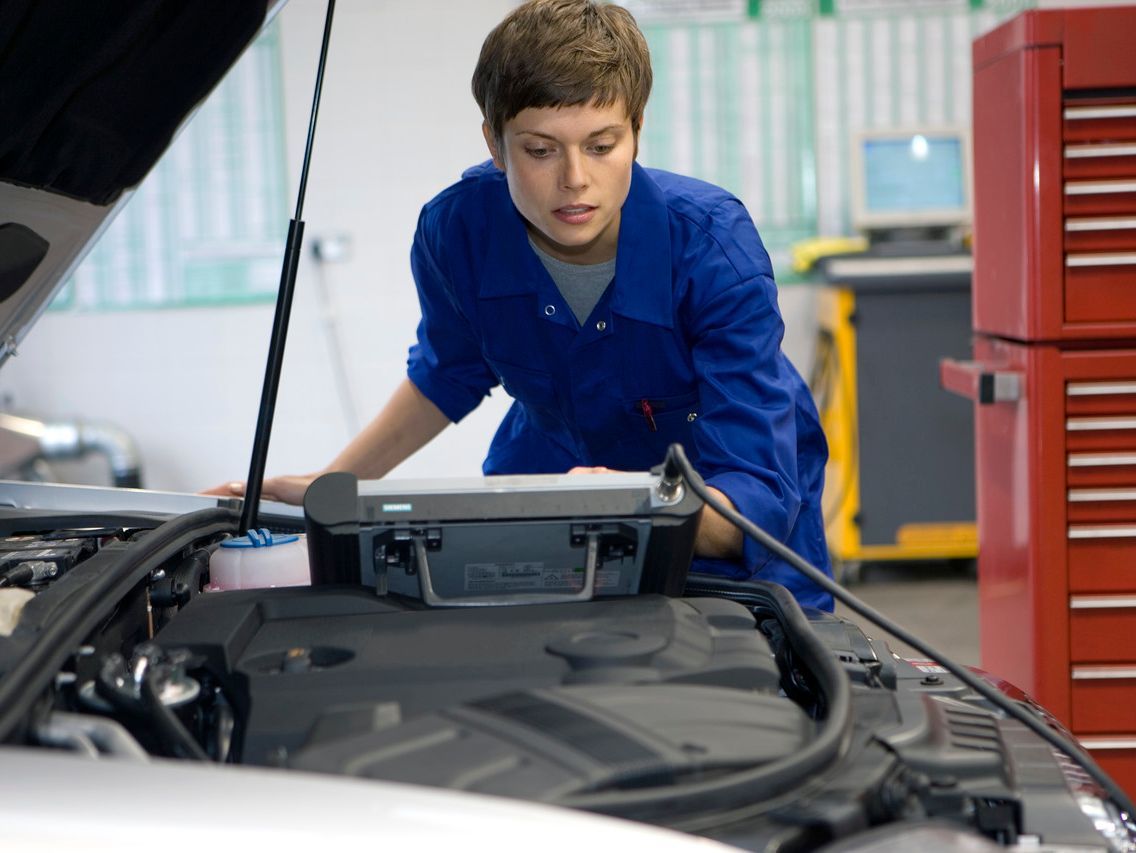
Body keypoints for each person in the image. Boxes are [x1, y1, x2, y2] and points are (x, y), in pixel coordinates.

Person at [209, 0, 833, 610]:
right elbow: (448, 372)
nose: (575, 180)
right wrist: (333, 488)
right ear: (495, 143)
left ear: (637, 132)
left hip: (721, 528)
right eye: (540, 150)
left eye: (601, 145)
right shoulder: (459, 231)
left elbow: (756, 499)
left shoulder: (711, 248)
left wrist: (637, 502)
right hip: (555, 496)